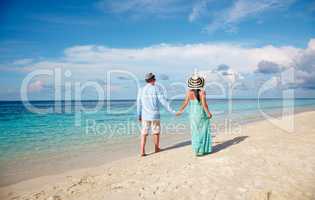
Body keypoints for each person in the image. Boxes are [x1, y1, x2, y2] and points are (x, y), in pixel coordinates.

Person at [137, 73, 175, 156]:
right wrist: (172, 111)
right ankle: (156, 148)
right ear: (153, 79)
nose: (155, 80)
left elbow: (139, 103)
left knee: (144, 133)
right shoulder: (156, 88)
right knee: (156, 132)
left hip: (145, 115)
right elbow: (163, 101)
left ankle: (142, 151)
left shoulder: (141, 89)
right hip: (155, 115)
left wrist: (139, 114)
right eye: (154, 79)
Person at [176, 74, 212, 156]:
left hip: (192, 113)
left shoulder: (189, 92)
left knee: (195, 131)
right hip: (200, 113)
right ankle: (202, 149)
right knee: (203, 130)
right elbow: (204, 104)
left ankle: (196, 149)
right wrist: (208, 113)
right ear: (200, 83)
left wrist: (180, 111)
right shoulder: (202, 92)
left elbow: (185, 103)